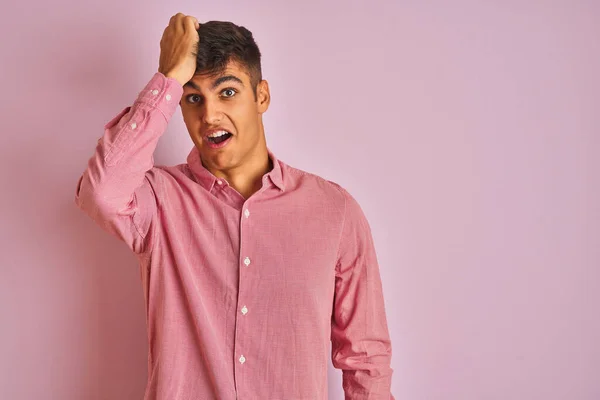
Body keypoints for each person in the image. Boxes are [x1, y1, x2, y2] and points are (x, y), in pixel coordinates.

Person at [75, 12, 395, 400]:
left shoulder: (334, 211)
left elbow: (365, 357)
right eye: (193, 98)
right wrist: (168, 78)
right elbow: (101, 194)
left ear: (261, 96)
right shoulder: (159, 199)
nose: (209, 115)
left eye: (227, 92)